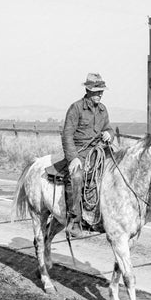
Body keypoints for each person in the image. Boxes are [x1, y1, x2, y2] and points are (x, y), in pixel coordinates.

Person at [62, 73, 114, 237]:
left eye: (101, 91)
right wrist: (73, 158)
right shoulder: (76, 108)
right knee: (77, 177)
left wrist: (108, 134)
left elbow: (108, 128)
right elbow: (67, 135)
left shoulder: (102, 109)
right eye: (97, 91)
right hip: (79, 152)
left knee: (115, 173)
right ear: (88, 90)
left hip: (98, 151)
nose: (100, 94)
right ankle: (75, 221)